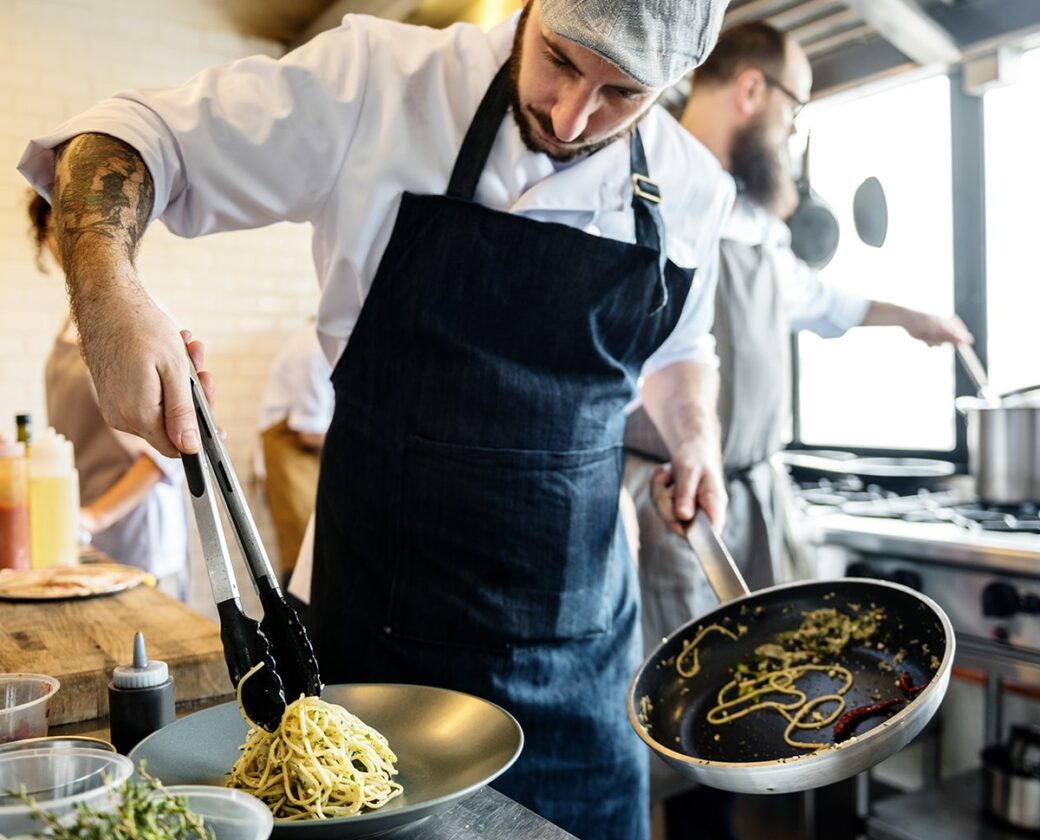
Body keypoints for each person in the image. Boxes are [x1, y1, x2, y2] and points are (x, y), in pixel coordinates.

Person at [18, 2, 736, 837]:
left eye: (623, 93)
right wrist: (110, 297)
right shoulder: (377, 84)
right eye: (562, 60)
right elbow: (121, 140)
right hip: (377, 657)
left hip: (584, 666)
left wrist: (695, 439)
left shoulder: (695, 186)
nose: (571, 117)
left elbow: (684, 349)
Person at [623, 22, 972, 839]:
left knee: (771, 691)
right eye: (795, 108)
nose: (792, 130)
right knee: (687, 711)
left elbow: (821, 302)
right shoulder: (647, 183)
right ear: (752, 90)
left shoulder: (755, 220)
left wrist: (912, 316)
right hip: (669, 498)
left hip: (753, 495)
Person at [27, 193, 190, 599]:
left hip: (136, 534)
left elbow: (163, 457)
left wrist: (95, 517)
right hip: (87, 533)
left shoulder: (136, 320)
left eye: (72, 226)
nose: (63, 242)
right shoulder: (74, 321)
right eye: (52, 230)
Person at [257, 320, 334, 584]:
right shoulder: (313, 346)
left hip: (314, 463)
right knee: (303, 563)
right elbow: (309, 432)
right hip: (291, 460)